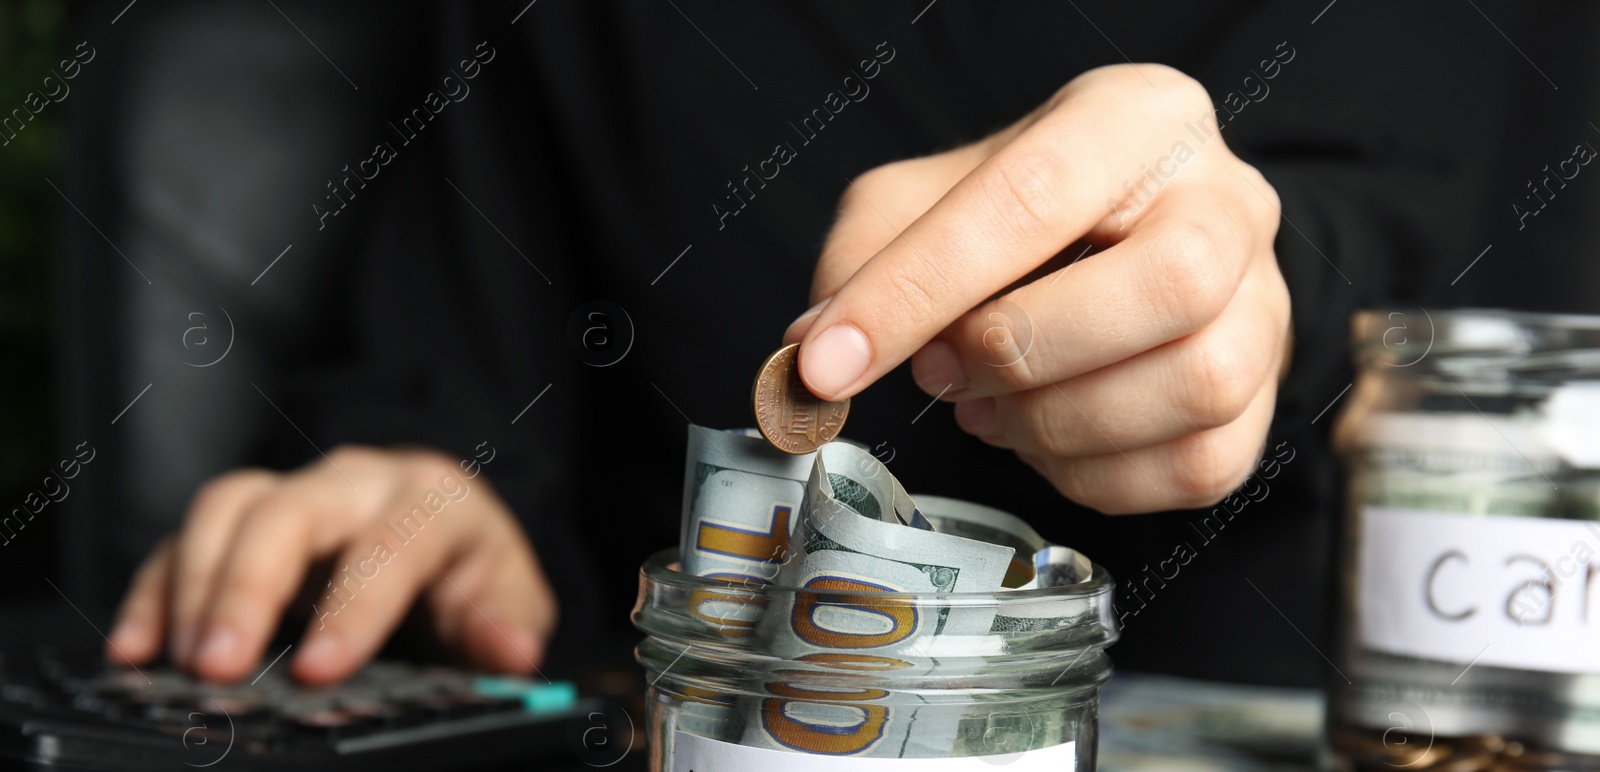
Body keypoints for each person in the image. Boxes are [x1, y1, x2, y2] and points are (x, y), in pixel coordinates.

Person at [87, 1, 1538, 687]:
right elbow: (473, 357)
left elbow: (1429, 209)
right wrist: (423, 482)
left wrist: (1261, 282)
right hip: (697, 751)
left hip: (1311, 737)